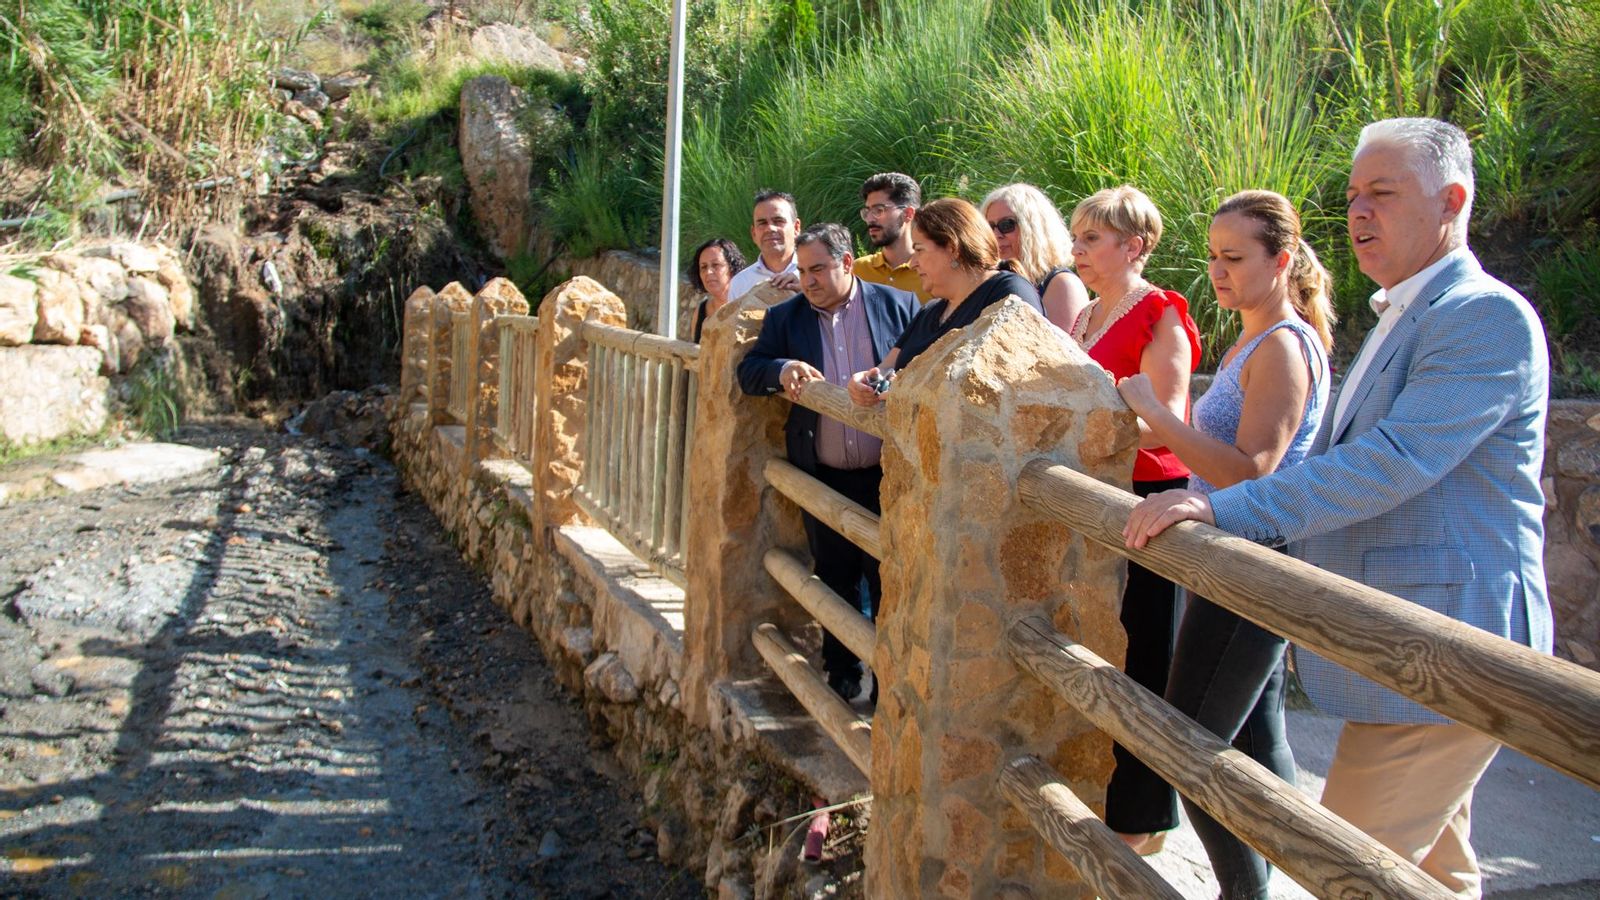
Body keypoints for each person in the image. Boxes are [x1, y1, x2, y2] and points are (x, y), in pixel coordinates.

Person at [1124, 118, 1551, 899]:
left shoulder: (1481, 317)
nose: (1357, 212)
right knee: (1433, 878)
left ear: (1452, 200)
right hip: (1407, 654)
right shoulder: (1413, 313)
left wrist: (1228, 509)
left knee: (1345, 871)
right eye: (1354, 194)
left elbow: (1391, 463)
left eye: (1382, 194)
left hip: (1446, 648)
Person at [1116, 190, 1334, 897]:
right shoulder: (1255, 339)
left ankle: (1246, 891)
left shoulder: (1282, 348)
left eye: (1234, 257)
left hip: (1254, 565)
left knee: (1190, 743)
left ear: (1282, 259)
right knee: (1255, 741)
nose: (1218, 271)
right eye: (1212, 256)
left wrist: (1156, 412)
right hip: (1238, 560)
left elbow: (1251, 472)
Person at [1066, 183, 1201, 854]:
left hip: (1147, 508)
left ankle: (1141, 819)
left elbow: (1166, 424)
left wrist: (1091, 429)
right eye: (1077, 238)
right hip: (1096, 506)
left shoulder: (1161, 316)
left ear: (1135, 246)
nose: (1078, 250)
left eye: (1092, 239)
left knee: (1145, 660)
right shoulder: (1085, 315)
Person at [736, 223, 920, 701]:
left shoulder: (898, 307)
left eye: (818, 268)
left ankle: (888, 691)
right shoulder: (789, 318)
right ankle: (841, 674)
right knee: (835, 577)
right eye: (803, 271)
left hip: (887, 478)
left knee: (888, 582)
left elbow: (921, 368)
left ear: (846, 262)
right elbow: (749, 372)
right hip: (824, 476)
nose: (808, 280)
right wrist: (782, 369)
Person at [846, 197, 1043, 404]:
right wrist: (865, 382)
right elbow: (886, 368)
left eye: (919, 250)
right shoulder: (930, 311)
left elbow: (1008, 379)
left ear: (952, 248)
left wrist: (909, 388)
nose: (913, 263)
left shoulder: (1010, 293)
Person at [980, 183, 1089, 330]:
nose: (996, 235)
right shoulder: (990, 282)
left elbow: (1063, 351)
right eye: (989, 226)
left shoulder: (1062, 285)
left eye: (1006, 225)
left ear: (1034, 229)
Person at [854, 172, 931, 302]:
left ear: (908, 214)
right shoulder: (858, 271)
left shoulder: (931, 273)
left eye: (879, 210)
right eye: (867, 211)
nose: (870, 219)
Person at [727, 189, 803, 303]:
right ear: (753, 233)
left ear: (796, 228)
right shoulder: (740, 284)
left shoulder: (817, 274)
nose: (770, 228)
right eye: (762, 223)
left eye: (778, 221)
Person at [688, 237, 747, 342]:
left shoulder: (748, 307)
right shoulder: (701, 311)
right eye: (703, 267)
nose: (708, 272)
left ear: (732, 268)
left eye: (716, 265)